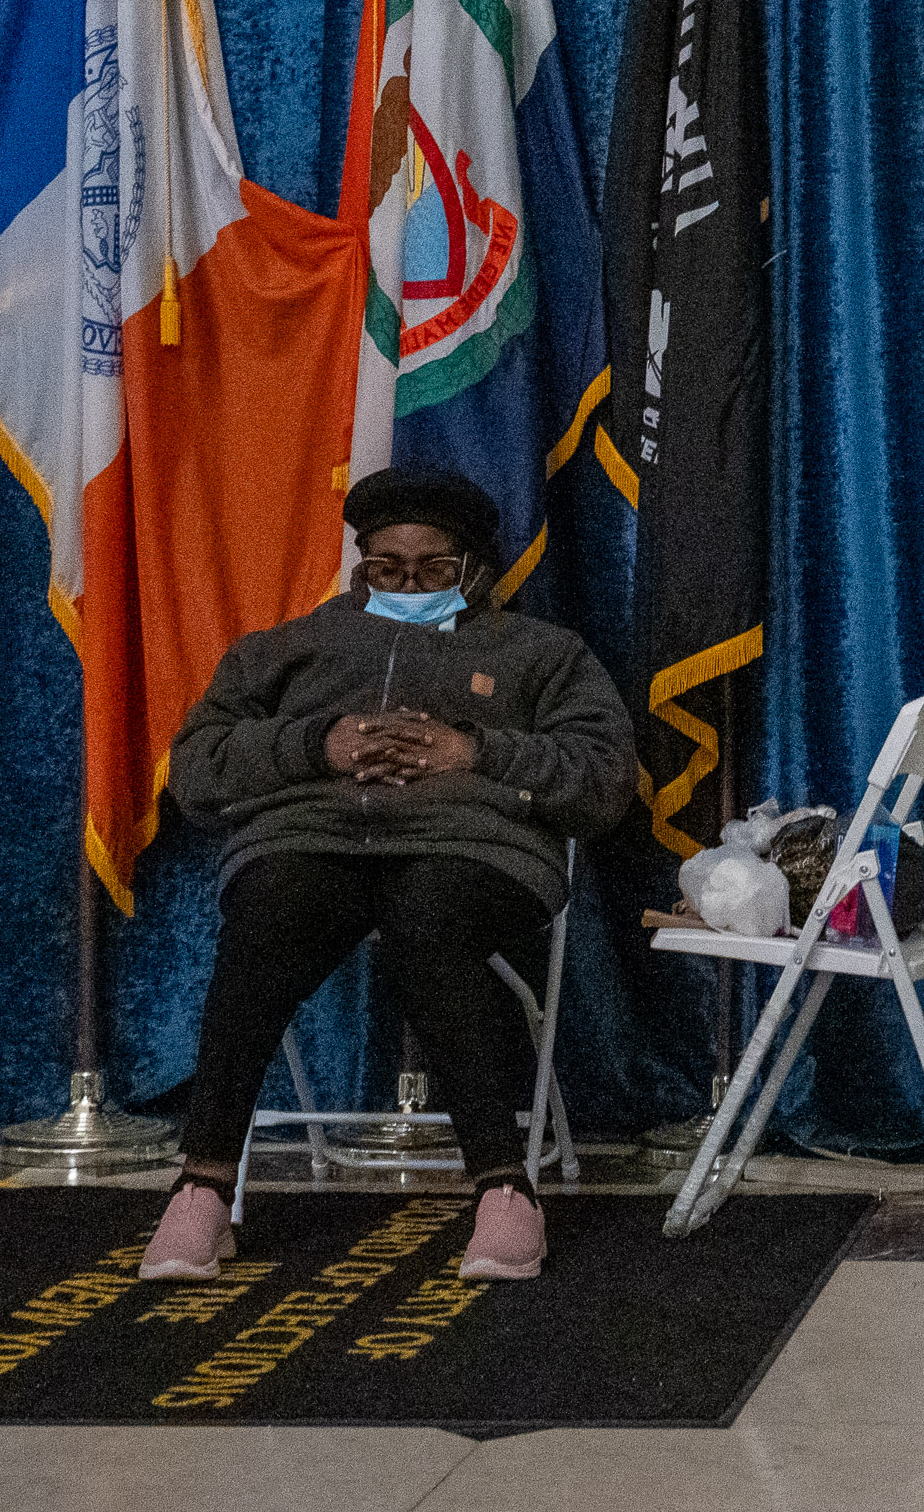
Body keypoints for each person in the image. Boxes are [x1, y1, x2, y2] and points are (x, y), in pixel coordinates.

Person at [135, 466, 636, 1286]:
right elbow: (196, 768)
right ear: (361, 561)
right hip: (315, 840)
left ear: (473, 567)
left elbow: (606, 776)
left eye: (432, 570)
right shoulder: (286, 650)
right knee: (264, 914)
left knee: (427, 921)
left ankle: (505, 1191)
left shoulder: (540, 653)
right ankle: (203, 1185)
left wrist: (476, 749)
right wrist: (316, 744)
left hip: (474, 850)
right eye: (386, 568)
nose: (407, 585)